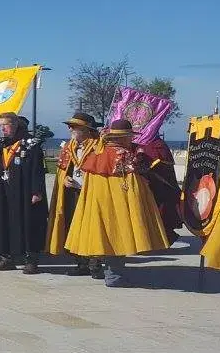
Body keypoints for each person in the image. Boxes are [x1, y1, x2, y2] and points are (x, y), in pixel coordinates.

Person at [65, 119, 172, 287]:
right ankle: (114, 276)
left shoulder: (98, 154)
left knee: (107, 236)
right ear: (122, 138)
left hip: (100, 203)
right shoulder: (126, 156)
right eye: (129, 136)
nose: (131, 140)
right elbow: (136, 175)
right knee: (119, 236)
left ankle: (112, 274)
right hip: (121, 203)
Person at [0, 114, 47, 274]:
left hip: (25, 191)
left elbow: (38, 169)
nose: (2, 128)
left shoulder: (30, 143)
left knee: (29, 224)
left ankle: (31, 260)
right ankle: (7, 258)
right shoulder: (2, 143)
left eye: (6, 125)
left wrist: (36, 191)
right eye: (0, 125)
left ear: (15, 124)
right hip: (6, 190)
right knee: (6, 223)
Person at [46, 113, 100, 274]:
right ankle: (80, 262)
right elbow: (63, 169)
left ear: (86, 129)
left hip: (91, 193)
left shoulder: (98, 147)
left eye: (74, 126)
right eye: (70, 126)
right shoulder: (70, 147)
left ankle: (95, 263)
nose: (70, 129)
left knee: (91, 227)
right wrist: (64, 178)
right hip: (73, 193)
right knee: (72, 226)